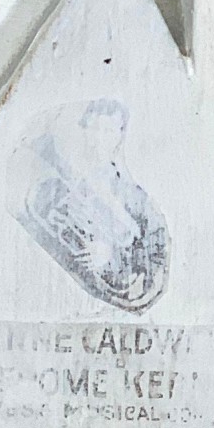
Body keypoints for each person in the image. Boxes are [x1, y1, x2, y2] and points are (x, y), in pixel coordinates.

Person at [19, 98, 170, 313]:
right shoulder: (67, 182)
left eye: (108, 130)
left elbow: (154, 254)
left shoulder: (134, 197)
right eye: (93, 129)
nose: (99, 138)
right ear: (84, 132)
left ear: (119, 136)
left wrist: (111, 256)